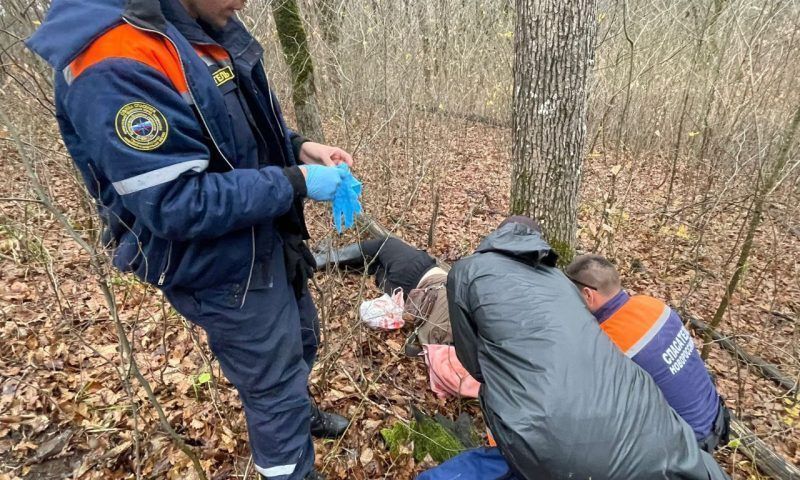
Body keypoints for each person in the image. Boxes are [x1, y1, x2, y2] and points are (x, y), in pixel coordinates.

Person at [27, 1, 350, 478]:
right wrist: (295, 182)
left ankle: (297, 415)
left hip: (264, 231)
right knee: (272, 388)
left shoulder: (201, 24)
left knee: (302, 338)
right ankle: (290, 461)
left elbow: (236, 125)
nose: (244, 2)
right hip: (218, 262)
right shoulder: (115, 57)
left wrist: (297, 145)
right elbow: (177, 202)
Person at [436, 216, 729, 479]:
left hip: (675, 435)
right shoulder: (651, 305)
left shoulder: (611, 336)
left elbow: (477, 362)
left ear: (587, 295)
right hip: (709, 424)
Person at [565, 254, 731, 452]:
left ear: (588, 295)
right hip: (715, 415)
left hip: (688, 446)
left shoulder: (606, 341)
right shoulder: (652, 305)